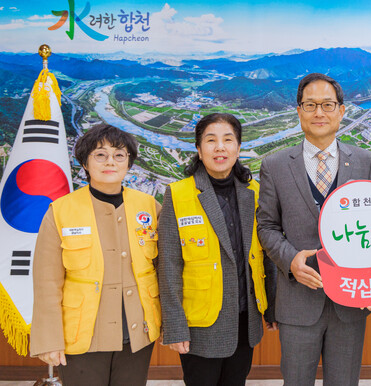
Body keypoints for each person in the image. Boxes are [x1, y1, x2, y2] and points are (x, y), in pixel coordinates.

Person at [257, 73, 371, 385]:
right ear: (299, 111)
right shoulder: (275, 165)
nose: (319, 112)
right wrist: (290, 260)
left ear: (341, 110)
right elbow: (267, 226)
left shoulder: (364, 161)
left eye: (327, 104)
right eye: (310, 105)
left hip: (350, 299)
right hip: (297, 300)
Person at [30, 124, 161, 386]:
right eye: (100, 154)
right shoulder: (61, 211)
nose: (110, 161)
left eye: (119, 155)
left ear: (129, 163)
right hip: (82, 335)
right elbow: (47, 283)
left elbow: (166, 269)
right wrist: (49, 340)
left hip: (138, 332)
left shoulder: (149, 207)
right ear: (85, 163)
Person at [158, 113, 276, 386]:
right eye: (211, 140)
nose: (220, 147)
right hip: (201, 322)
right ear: (199, 150)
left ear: (238, 148)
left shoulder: (254, 191)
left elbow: (266, 254)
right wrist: (175, 326)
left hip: (246, 319)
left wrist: (271, 308)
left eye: (228, 140)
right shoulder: (178, 194)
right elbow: (169, 265)